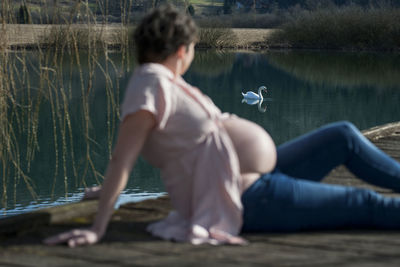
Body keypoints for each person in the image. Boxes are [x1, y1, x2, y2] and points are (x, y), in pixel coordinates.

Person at [44, 5, 400, 247]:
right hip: (245, 197)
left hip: (255, 174)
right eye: (194, 48)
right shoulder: (149, 84)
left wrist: (105, 189)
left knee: (342, 136)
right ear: (182, 49)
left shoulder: (163, 82)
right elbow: (122, 158)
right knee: (365, 203)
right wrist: (97, 227)